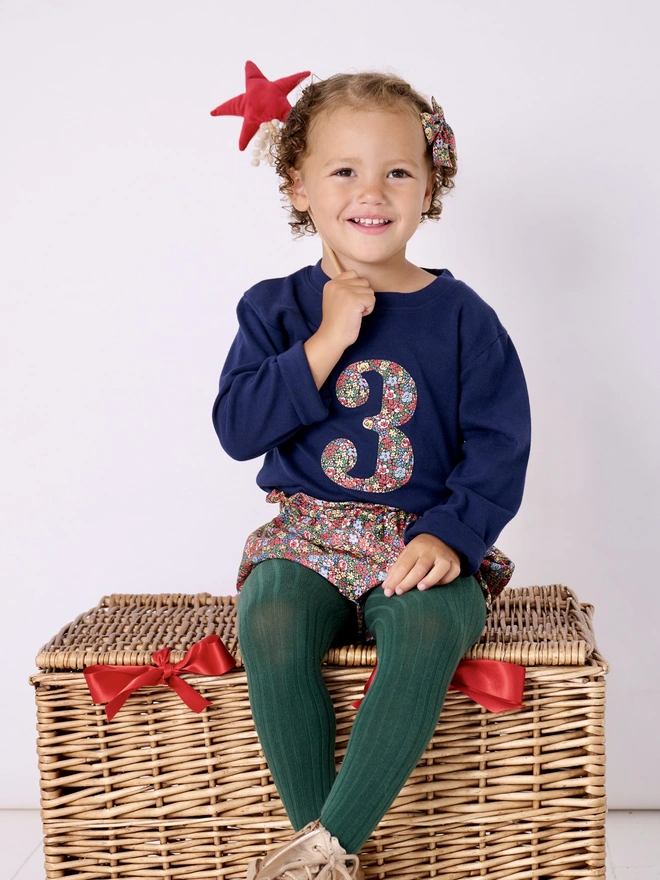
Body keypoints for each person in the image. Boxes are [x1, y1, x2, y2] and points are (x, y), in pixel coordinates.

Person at [212, 70, 532, 880]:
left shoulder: (464, 318)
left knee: (430, 627)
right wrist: (324, 339)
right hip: (309, 533)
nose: (372, 191)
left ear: (430, 184)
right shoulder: (276, 308)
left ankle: (320, 855)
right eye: (343, 170)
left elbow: (499, 442)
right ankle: (320, 852)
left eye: (397, 170)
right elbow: (237, 429)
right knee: (273, 622)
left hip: (418, 538)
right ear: (298, 185)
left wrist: (454, 534)